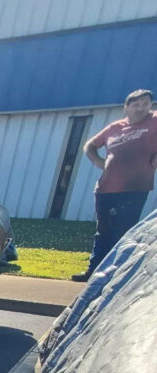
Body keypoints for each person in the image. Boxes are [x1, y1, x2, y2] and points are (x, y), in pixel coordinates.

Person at [73, 89, 157, 281]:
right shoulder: (114, 127)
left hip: (135, 188)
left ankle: (114, 275)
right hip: (106, 188)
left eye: (146, 104)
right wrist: (98, 162)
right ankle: (93, 272)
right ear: (126, 108)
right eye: (136, 105)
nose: (141, 109)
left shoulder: (155, 121)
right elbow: (90, 145)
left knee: (123, 230)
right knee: (103, 230)